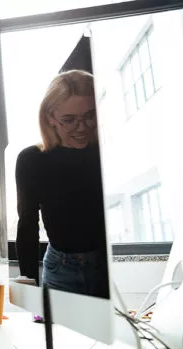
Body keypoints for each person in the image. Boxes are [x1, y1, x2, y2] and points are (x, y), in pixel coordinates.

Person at [15, 69, 109, 298]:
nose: (82, 127)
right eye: (69, 120)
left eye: (90, 115)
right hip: (60, 270)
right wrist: (29, 284)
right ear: (50, 117)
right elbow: (27, 225)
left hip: (106, 266)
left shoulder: (107, 153)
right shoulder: (32, 159)